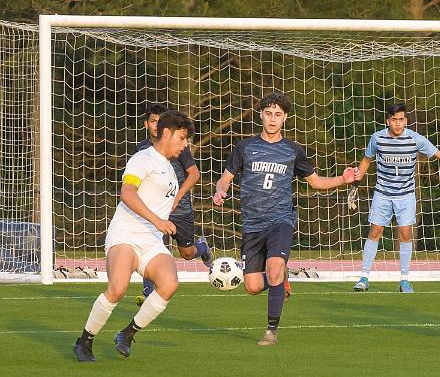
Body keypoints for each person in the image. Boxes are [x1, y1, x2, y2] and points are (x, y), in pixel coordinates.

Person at [212, 92, 355, 346]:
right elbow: (226, 177)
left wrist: (342, 179)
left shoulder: (293, 151)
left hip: (280, 220)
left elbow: (316, 182)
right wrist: (221, 189)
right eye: (268, 114)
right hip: (252, 224)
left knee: (274, 268)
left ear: (285, 118)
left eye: (278, 115)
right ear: (260, 115)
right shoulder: (245, 147)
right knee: (253, 286)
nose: (272, 119)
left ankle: (271, 331)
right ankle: (281, 278)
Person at [73, 111, 195, 362]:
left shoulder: (170, 169)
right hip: (126, 234)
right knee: (117, 289)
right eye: (182, 139)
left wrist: (166, 221)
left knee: (170, 284)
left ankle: (127, 334)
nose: (184, 145)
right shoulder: (143, 158)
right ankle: (85, 341)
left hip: (150, 240)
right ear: (167, 133)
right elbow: (127, 194)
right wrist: (159, 221)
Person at [350, 102, 440, 293]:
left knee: (405, 233)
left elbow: (438, 154)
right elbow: (366, 160)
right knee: (375, 231)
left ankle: (404, 280)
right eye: (394, 120)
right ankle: (364, 278)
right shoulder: (377, 139)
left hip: (406, 195)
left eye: (401, 119)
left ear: (406, 121)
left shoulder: (415, 139)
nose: (398, 124)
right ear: (388, 121)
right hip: (382, 194)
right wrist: (354, 187)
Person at [135, 103, 213, 306]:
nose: (156, 125)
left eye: (160, 121)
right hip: (155, 210)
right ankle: (148, 294)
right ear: (146, 124)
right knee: (151, 247)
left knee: (186, 254)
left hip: (180, 209)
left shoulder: (179, 147)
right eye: (153, 121)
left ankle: (202, 247)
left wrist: (177, 197)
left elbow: (194, 174)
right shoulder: (141, 150)